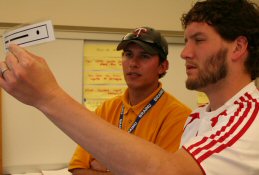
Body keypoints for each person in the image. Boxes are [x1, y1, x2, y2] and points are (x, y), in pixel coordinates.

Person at [0, 0, 259, 174]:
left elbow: (166, 171)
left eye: (199, 40)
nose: (186, 53)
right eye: (186, 41)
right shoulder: (198, 117)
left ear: (238, 47)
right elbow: (79, 167)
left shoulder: (249, 119)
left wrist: (48, 96)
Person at [68, 27, 191, 174]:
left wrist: (105, 169)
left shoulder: (179, 116)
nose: (133, 63)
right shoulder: (107, 109)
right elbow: (77, 168)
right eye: (128, 54)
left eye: (144, 56)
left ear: (163, 66)